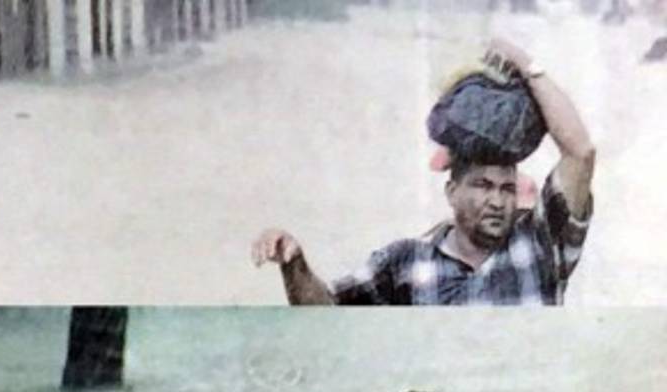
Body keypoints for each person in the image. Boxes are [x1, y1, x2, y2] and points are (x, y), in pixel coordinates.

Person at [251, 38, 595, 306]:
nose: (497, 201)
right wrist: (294, 264)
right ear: (452, 192)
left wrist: (526, 64)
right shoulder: (405, 263)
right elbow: (327, 315)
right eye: (483, 185)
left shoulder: (539, 244)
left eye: (507, 189)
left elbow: (581, 153)